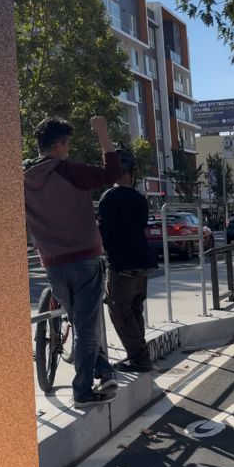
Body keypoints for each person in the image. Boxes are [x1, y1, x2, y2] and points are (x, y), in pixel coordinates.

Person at [24, 116, 122, 407]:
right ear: (57, 145)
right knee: (86, 327)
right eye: (66, 143)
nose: (68, 149)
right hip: (85, 260)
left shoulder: (23, 179)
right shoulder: (67, 171)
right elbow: (112, 172)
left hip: (53, 263)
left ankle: (103, 368)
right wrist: (103, 134)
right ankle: (82, 391)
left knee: (80, 322)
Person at [96, 148, 157, 372]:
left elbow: (103, 232)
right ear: (133, 173)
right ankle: (140, 355)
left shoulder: (108, 197)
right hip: (142, 263)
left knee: (119, 313)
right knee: (134, 310)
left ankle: (140, 359)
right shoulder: (140, 199)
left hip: (121, 264)